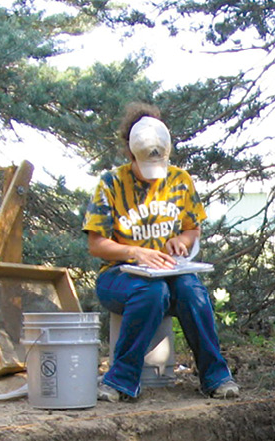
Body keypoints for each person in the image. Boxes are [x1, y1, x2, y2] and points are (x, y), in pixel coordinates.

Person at [82, 103, 238, 402]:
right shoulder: (111, 184)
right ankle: (121, 380)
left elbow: (193, 230)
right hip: (120, 275)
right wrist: (135, 252)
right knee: (151, 293)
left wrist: (182, 241)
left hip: (171, 271)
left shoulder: (180, 180)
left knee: (193, 291)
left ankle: (216, 377)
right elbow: (96, 244)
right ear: (130, 154)